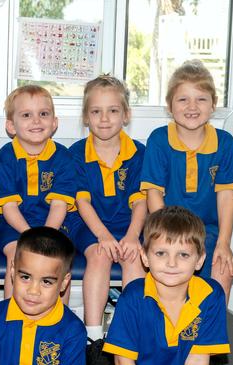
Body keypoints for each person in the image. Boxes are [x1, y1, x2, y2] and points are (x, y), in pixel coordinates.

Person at [140, 60, 233, 302]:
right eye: (183, 99)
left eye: (201, 99)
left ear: (213, 104)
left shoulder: (225, 143)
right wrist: (168, 235)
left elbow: (226, 196)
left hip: (208, 232)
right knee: (170, 273)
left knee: (223, 268)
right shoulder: (159, 139)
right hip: (165, 229)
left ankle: (213, 334)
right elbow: (153, 193)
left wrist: (224, 244)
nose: (192, 107)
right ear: (170, 105)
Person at [69, 75, 147, 341]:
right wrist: (102, 235)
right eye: (96, 111)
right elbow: (82, 202)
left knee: (133, 256)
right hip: (89, 224)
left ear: (126, 115)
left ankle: (134, 331)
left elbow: (140, 201)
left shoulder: (138, 153)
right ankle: (93, 336)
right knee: (100, 255)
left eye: (113, 111)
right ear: (85, 117)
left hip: (129, 225)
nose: (104, 119)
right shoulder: (76, 154)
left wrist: (133, 237)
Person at [103, 206, 230, 364]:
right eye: (161, 253)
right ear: (145, 257)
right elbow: (123, 360)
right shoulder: (132, 296)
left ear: (199, 260)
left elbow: (197, 359)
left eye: (183, 254)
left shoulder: (210, 295)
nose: (171, 263)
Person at [0, 85, 78, 298]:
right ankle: (13, 321)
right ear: (11, 126)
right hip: (15, 225)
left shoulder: (63, 156)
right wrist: (30, 236)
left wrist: (46, 238)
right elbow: (9, 206)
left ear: (54, 122)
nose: (36, 121)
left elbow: (60, 205)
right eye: (26, 115)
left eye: (43, 114)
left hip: (54, 224)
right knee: (18, 256)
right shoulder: (6, 155)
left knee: (57, 259)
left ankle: (57, 323)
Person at [0, 226, 86, 364]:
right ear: (13, 271)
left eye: (46, 282)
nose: (33, 291)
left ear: (64, 282)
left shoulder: (72, 330)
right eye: (26, 277)